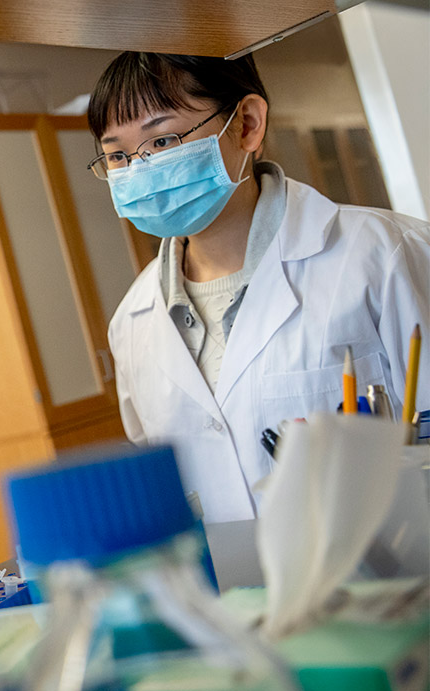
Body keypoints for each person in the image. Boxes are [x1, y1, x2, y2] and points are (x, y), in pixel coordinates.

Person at [87, 52, 429, 524]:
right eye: (118, 156)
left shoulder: (385, 253)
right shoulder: (131, 321)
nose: (140, 170)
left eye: (162, 140)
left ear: (247, 124)